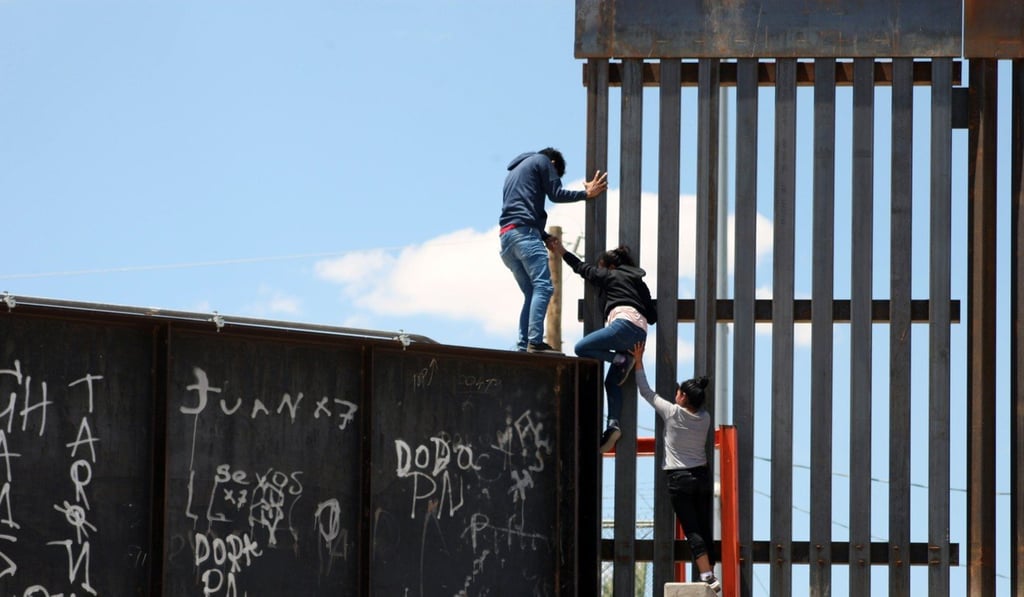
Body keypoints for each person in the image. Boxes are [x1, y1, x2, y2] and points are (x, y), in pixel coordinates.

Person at [545, 239, 655, 452]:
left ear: (610, 267)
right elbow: (652, 316)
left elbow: (582, 269)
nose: (599, 271)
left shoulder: (610, 274)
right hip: (639, 336)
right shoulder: (638, 282)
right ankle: (613, 424)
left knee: (581, 348)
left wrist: (560, 250)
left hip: (623, 326)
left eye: (601, 267)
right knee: (611, 382)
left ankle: (621, 360)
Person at [629, 340, 720, 593]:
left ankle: (708, 576)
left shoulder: (672, 412)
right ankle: (710, 570)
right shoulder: (705, 417)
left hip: (679, 479)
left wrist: (638, 361)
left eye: (679, 392)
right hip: (701, 476)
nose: (675, 394)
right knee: (704, 525)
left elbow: (646, 391)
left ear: (683, 397)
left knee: (692, 529)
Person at [499, 148, 608, 354]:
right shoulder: (543, 160)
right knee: (544, 287)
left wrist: (544, 236)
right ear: (553, 163)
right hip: (525, 236)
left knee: (531, 292)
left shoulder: (513, 173)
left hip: (507, 239)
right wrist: (587, 194)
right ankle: (534, 342)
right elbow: (556, 194)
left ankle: (524, 345)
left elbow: (521, 209)